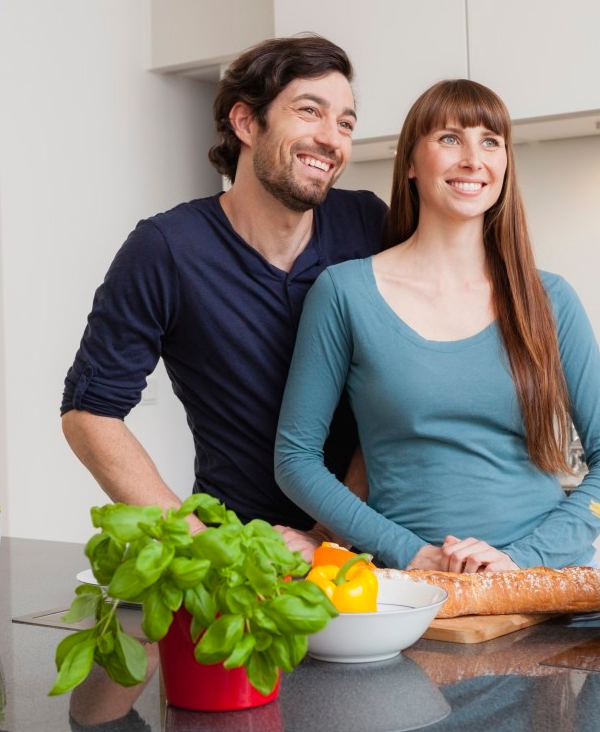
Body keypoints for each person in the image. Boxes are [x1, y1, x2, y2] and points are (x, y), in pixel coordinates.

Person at [274, 79, 600, 572]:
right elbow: (295, 460)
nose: (473, 159)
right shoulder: (345, 293)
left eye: (491, 142)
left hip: (545, 581)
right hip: (415, 591)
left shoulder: (550, 299)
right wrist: (413, 554)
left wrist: (519, 562)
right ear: (409, 163)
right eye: (450, 139)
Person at [61, 34, 386, 553]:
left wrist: (330, 537)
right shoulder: (166, 248)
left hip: (370, 548)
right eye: (309, 111)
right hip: (235, 555)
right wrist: (202, 548)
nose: (332, 138)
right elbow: (89, 413)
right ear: (245, 122)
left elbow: (397, 394)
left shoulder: (369, 225)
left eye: (345, 123)